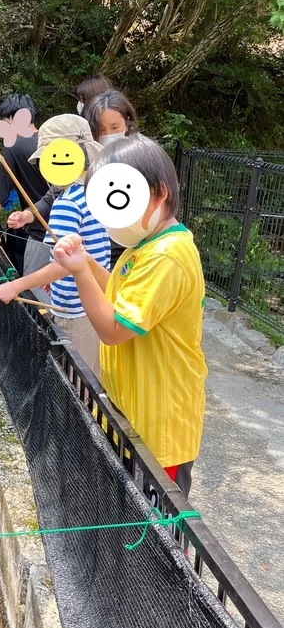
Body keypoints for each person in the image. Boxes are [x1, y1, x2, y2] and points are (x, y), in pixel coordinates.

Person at [52, 135, 207, 497]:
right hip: (136, 417)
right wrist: (87, 261)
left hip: (159, 427)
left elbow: (114, 327)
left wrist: (78, 272)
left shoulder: (166, 255)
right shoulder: (145, 246)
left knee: (155, 537)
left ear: (159, 192)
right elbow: (118, 297)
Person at [0, 115, 110, 378]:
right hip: (98, 302)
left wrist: (15, 286)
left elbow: (63, 263)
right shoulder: (95, 194)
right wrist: (53, 278)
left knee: (82, 384)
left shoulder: (66, 203)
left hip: (77, 311)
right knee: (96, 378)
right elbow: (81, 254)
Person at [0, 94, 50, 275]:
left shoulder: (13, 147)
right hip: (68, 229)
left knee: (35, 291)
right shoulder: (52, 139)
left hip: (39, 234)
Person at [83, 89, 139, 268]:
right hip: (93, 252)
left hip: (132, 251)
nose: (108, 135)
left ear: (128, 123)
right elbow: (56, 193)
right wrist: (29, 214)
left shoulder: (142, 156)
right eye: (100, 130)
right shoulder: (85, 159)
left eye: (115, 128)